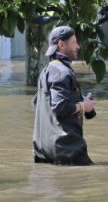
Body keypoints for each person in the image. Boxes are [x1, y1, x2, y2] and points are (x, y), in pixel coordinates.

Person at [32, 25, 97, 166]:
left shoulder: (47, 71)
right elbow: (60, 107)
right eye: (74, 42)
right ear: (61, 45)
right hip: (67, 149)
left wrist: (82, 102)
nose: (78, 46)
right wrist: (83, 106)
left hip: (43, 150)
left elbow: (37, 103)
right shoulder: (62, 72)